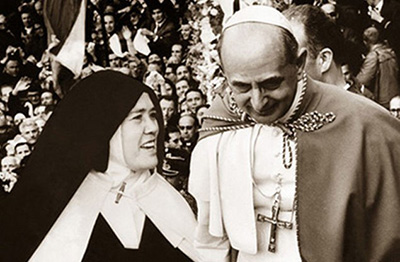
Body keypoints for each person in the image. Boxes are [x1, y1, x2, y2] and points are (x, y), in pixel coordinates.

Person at [189, 6, 400, 262]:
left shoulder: (365, 126)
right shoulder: (222, 125)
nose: (258, 102)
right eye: (242, 86)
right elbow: (210, 235)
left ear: (299, 63)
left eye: (271, 83)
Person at [0, 70, 199, 261]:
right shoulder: (64, 208)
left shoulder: (167, 199)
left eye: (153, 115)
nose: (153, 127)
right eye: (137, 117)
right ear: (106, 127)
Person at [356, 26, 399, 108]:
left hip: (383, 100)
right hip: (396, 95)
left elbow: (362, 80)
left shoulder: (374, 56)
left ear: (365, 42)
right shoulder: (391, 52)